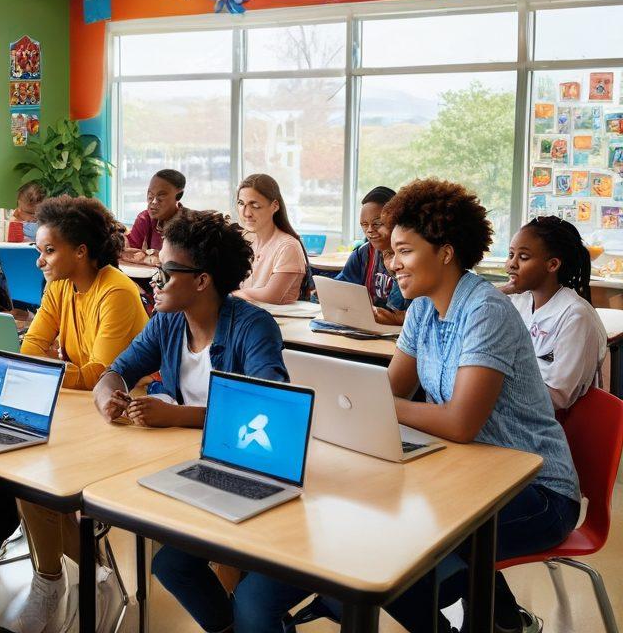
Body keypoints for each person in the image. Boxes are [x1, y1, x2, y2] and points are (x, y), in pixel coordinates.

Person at [234, 179, 580, 633]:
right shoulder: (421, 309)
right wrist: (360, 399)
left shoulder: (485, 311)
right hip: (464, 473)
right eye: (392, 252)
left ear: (446, 253)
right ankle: (497, 620)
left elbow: (458, 422)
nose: (392, 264)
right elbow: (390, 388)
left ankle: (494, 620)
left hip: (533, 489)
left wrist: (376, 404)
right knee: (367, 550)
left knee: (390, 575)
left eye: (405, 251)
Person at [94, 210, 286, 633]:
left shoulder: (253, 326)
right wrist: (108, 395)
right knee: (172, 565)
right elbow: (116, 371)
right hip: (191, 464)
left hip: (245, 468)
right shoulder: (166, 321)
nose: (154, 280)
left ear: (202, 280)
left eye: (166, 270)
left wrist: (178, 416)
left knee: (178, 564)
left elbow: (269, 409)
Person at [19, 195, 148, 633]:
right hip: (75, 411)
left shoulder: (116, 290)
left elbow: (100, 376)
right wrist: (61, 368)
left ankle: (82, 581)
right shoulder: (59, 286)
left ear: (81, 251)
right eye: (39, 250)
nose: (40, 260)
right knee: (22, 470)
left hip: (125, 420)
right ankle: (63, 580)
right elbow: (31, 346)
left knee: (36, 476)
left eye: (48, 250)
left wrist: (56, 368)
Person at [501, 216, 606, 410]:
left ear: (552, 265)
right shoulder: (519, 301)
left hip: (551, 426)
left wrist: (491, 385)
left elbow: (558, 397)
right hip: (513, 413)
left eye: (523, 257)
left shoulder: (575, 316)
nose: (512, 264)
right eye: (510, 255)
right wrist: (501, 291)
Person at [231, 173, 310, 304]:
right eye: (241, 203)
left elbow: (271, 296)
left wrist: (230, 294)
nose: (246, 213)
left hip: (280, 321)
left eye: (255, 205)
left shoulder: (288, 246)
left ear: (275, 206)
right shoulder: (245, 241)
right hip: (247, 317)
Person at [333, 186, 408, 324]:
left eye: (377, 223)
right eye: (364, 224)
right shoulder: (363, 253)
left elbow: (402, 313)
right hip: (369, 325)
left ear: (397, 220)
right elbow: (340, 288)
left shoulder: (411, 257)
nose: (369, 230)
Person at [121, 169, 188, 264]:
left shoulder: (189, 225)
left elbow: (181, 263)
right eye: (150, 196)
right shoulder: (145, 218)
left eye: (160, 196)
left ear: (179, 196)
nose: (153, 202)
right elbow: (129, 253)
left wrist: (150, 256)